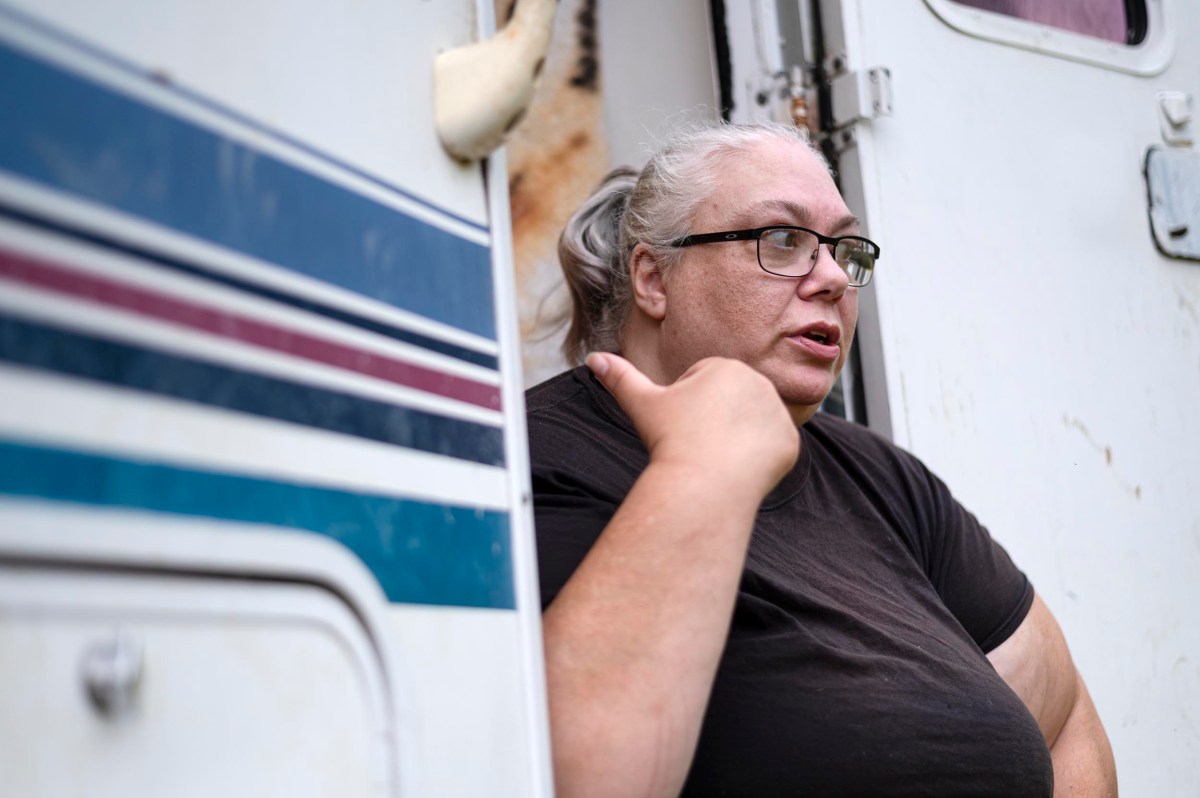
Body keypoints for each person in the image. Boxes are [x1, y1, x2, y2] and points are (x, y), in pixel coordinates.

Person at [525, 122, 1117, 797]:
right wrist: (706, 466)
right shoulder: (542, 458)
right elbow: (578, 778)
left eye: (844, 250)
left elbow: (1065, 714)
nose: (834, 277)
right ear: (655, 278)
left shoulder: (882, 478)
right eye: (783, 240)